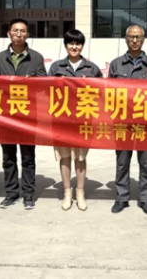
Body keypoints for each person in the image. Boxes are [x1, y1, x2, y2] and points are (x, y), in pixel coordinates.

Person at [108, 25, 147, 215]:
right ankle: (122, 197)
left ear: (144, 39)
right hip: (122, 122)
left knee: (146, 162)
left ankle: (145, 198)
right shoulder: (116, 64)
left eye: (138, 36)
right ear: (125, 38)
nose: (134, 40)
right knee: (122, 162)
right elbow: (109, 93)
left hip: (146, 123)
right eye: (131, 36)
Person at [0, 18, 47, 210]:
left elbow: (44, 84)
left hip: (28, 115)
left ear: (28, 35)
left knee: (27, 157)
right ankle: (11, 193)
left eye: (22, 31)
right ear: (8, 33)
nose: (18, 34)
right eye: (15, 30)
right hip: (5, 116)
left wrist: (31, 81)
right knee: (8, 157)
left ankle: (28, 194)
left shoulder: (36, 58)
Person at [48, 28, 102, 211]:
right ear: (65, 45)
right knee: (64, 157)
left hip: (83, 120)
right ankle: (67, 193)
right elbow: (46, 90)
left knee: (80, 157)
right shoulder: (56, 67)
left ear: (82, 46)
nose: (74, 47)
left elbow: (102, 92)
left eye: (77, 43)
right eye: (71, 43)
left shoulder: (92, 68)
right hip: (61, 120)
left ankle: (80, 193)